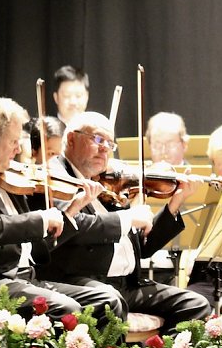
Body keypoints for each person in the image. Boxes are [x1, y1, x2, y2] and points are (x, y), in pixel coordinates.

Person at [0, 96, 123, 336]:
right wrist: (42, 219)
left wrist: (70, 211)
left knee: (107, 302)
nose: (18, 149)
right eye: (14, 141)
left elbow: (34, 245)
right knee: (66, 309)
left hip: (24, 279)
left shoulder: (7, 176)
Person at [38, 111, 212, 331]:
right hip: (81, 280)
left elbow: (144, 248)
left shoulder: (110, 183)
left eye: (110, 144)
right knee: (110, 301)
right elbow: (73, 224)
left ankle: (159, 346)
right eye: (98, 139)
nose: (105, 149)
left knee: (195, 305)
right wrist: (126, 218)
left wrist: (175, 202)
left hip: (127, 283)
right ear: (72, 139)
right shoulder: (55, 176)